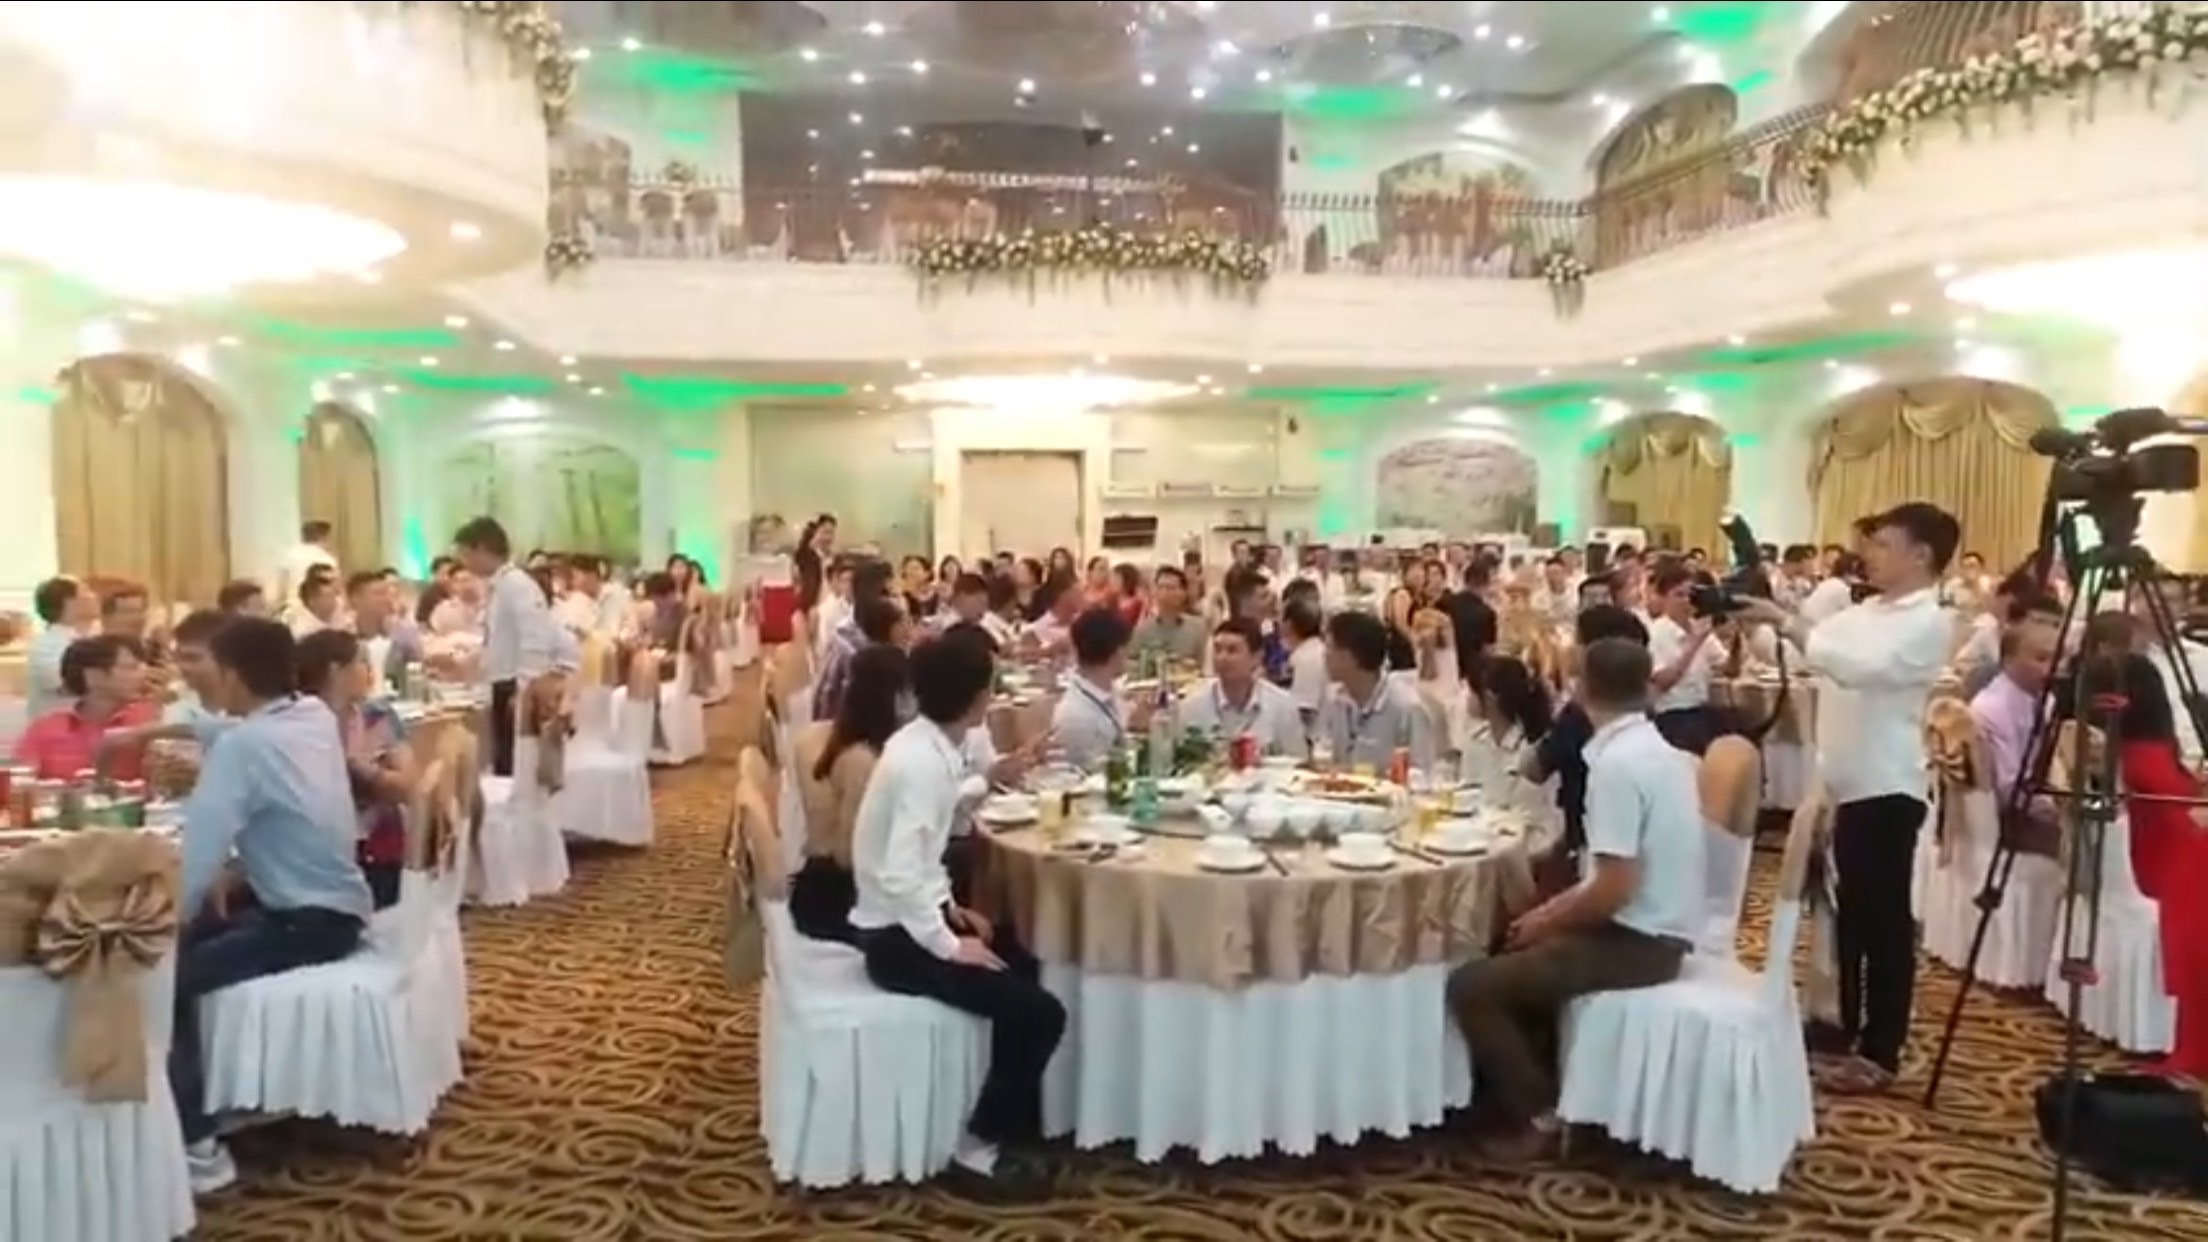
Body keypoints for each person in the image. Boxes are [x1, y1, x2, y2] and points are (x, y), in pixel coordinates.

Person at [1444, 638, 1702, 1161]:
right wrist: (1546, 917)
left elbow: (1613, 888)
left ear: (1583, 689)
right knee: (1509, 943)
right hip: (1657, 923)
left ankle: (1537, 1111)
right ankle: (1525, 1088)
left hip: (1638, 940)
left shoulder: (1618, 766)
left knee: (1472, 984)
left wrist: (1546, 920)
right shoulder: (1657, 750)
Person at [1743, 501, 1959, 1093]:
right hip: (1839, 781)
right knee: (1848, 915)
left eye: (1884, 544)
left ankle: (1881, 1048)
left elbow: (1863, 669)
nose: (1870, 554)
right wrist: (1755, 619)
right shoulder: (1864, 611)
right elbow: (1798, 653)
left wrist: (1789, 623)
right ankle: (1844, 1025)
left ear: (1921, 555)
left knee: (1883, 921)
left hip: (1885, 785)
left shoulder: (1929, 621)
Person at [847, 632, 1067, 1194]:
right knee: (1042, 1013)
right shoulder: (921, 762)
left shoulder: (924, 744)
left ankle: (1014, 1117)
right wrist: (948, 942)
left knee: (1027, 959)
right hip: (894, 941)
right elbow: (900, 873)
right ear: (975, 698)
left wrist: (951, 908)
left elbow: (923, 848)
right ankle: (976, 1151)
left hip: (908, 917)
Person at [169, 617, 374, 1193]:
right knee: (193, 942)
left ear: (232, 675)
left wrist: (167, 921)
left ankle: (197, 1143)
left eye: (206, 666)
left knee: (159, 979)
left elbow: (198, 852)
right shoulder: (311, 715)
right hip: (338, 904)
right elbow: (229, 732)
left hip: (304, 920)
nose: (198, 679)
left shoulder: (243, 747)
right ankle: (223, 1094)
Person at [791, 644, 909, 942]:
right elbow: (849, 856)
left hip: (813, 887)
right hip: (839, 899)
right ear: (895, 699)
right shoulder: (861, 761)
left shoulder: (814, 736)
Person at [1521, 605, 1650, 870]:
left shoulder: (1579, 716)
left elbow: (1534, 769)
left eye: (1576, 641)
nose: (1569, 649)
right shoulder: (1644, 709)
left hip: (1591, 844)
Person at [295, 629, 416, 910]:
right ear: (335, 671)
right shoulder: (298, 725)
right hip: (314, 855)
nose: (370, 671)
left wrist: (361, 771)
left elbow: (409, 786)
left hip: (378, 851)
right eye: (361, 662)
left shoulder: (377, 717)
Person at [456, 516, 555, 777]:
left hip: (514, 687)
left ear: (481, 549)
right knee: (505, 764)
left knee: (516, 766)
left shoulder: (517, 585)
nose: (464, 563)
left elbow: (535, 640)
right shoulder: (499, 586)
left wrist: (524, 691)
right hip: (502, 685)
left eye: (465, 554)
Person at [14, 634, 160, 780]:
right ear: (93, 676)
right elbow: (21, 779)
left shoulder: (152, 720)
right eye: (131, 668)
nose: (144, 675)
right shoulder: (45, 730)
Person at [1317, 610, 1437, 772]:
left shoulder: (1407, 707)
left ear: (1351, 657)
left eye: (1329, 648)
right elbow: (1323, 752)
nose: (1324, 656)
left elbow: (1421, 773)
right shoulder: (1334, 698)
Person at [1176, 618, 1307, 760]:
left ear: (1256, 658)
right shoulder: (1192, 706)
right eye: (1217, 650)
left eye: (1232, 651)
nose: (1222, 658)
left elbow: (1297, 762)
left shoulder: (1282, 706)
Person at [1645, 562, 1730, 755]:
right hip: (1674, 714)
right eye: (1678, 595)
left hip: (1702, 710)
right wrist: (1694, 643)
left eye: (1689, 595)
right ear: (1663, 598)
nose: (1685, 601)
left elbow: (1728, 667)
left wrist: (1737, 638)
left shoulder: (1697, 626)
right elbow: (1662, 682)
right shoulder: (1658, 632)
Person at [1050, 607, 1142, 771]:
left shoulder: (1106, 690)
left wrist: (1134, 721)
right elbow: (1094, 771)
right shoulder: (1076, 716)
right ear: (1118, 652)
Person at [26, 575, 99, 718]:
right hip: (57, 727)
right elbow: (71, 686)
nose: (94, 596)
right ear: (69, 603)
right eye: (86, 591)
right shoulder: (45, 646)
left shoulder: (97, 635)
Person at [1130, 567, 1206, 667]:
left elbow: (1204, 664)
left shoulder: (1198, 628)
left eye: (1170, 588)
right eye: (1160, 587)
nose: (1164, 593)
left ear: (1183, 593)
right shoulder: (1142, 629)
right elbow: (1130, 661)